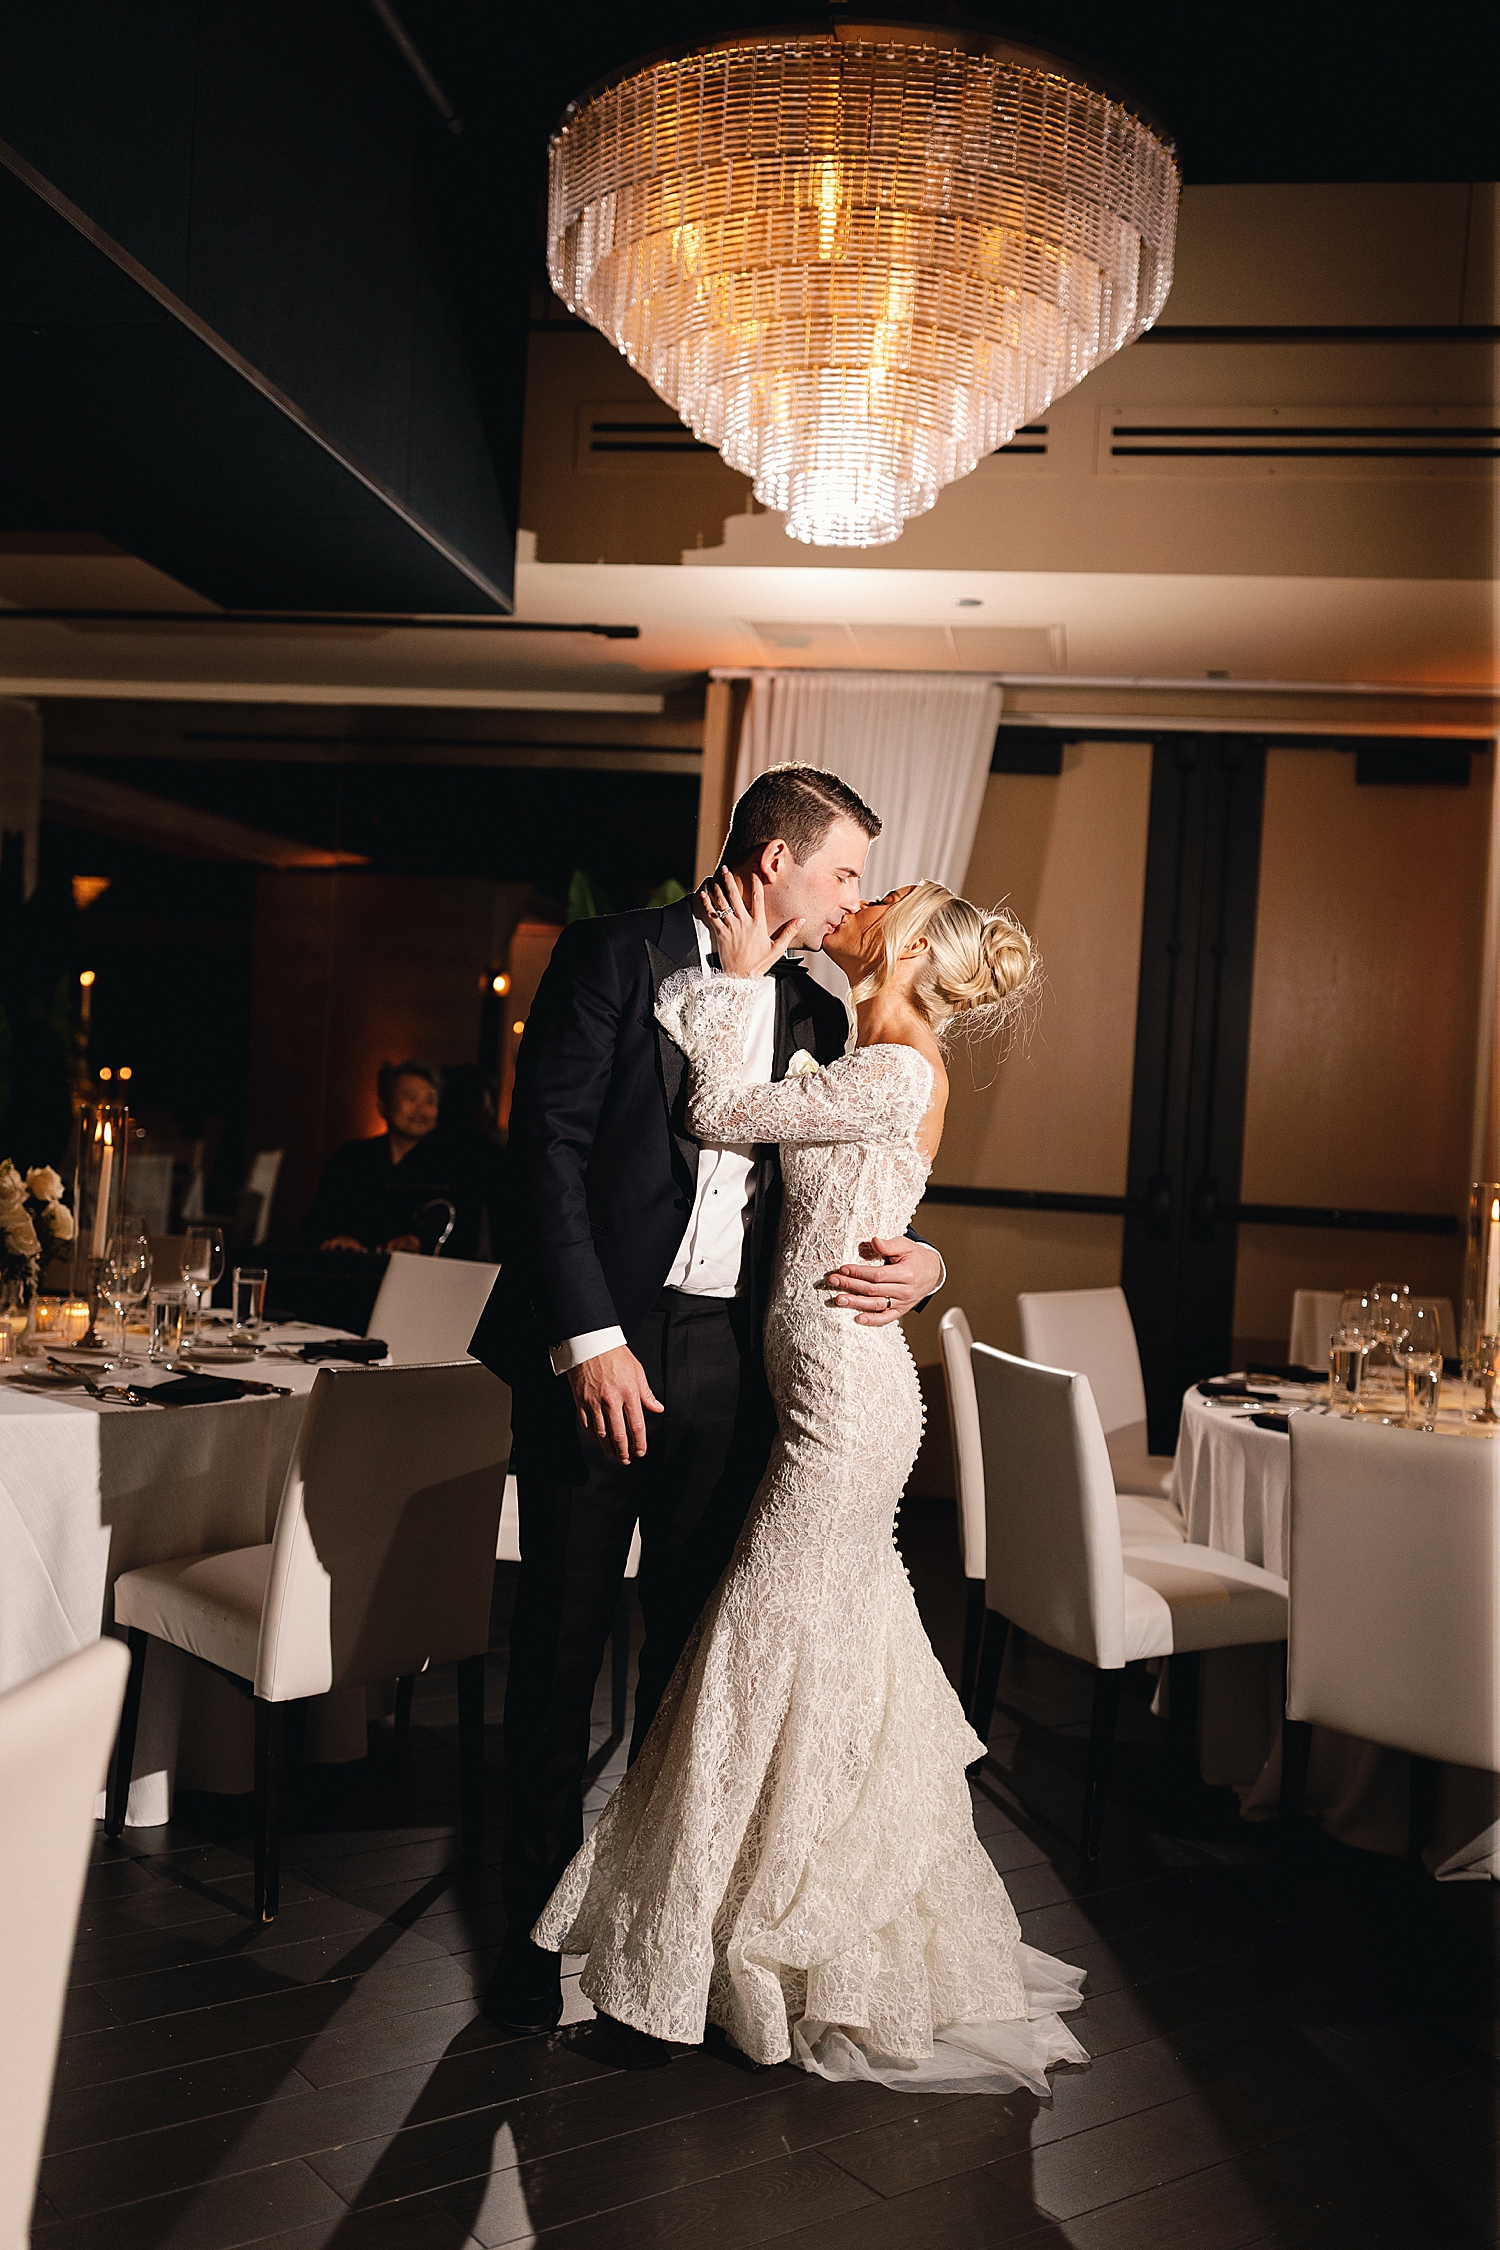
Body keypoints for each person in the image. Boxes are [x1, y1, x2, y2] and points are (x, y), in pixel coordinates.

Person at [531, 867, 1087, 2092]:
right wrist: (925, 1255)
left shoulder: (891, 1063)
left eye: (884, 894)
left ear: (911, 944)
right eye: (854, 875)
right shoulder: (854, 1042)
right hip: (803, 1388)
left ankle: (701, 1962)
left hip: (843, 1401)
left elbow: (726, 1113)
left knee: (752, 1642)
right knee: (817, 1654)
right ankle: (774, 1933)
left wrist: (735, 982)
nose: (858, 902)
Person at [474, 764, 947, 2036]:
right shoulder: (611, 954)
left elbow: (866, 1170)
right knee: (559, 1648)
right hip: (599, 1353)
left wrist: (927, 1261)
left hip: (740, 1370)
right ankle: (523, 1937)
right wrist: (589, 1340)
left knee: (693, 1667)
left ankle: (650, 1950)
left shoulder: (816, 1006)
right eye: (841, 871)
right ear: (775, 859)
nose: (848, 898)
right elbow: (545, 1152)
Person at [301, 1059, 455, 1254]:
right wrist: (340, 1238)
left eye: (430, 1101)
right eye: (411, 1098)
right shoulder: (351, 1158)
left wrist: (418, 1242)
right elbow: (317, 1222)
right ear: (383, 1105)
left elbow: (463, 1234)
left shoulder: (451, 1164)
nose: (422, 1109)